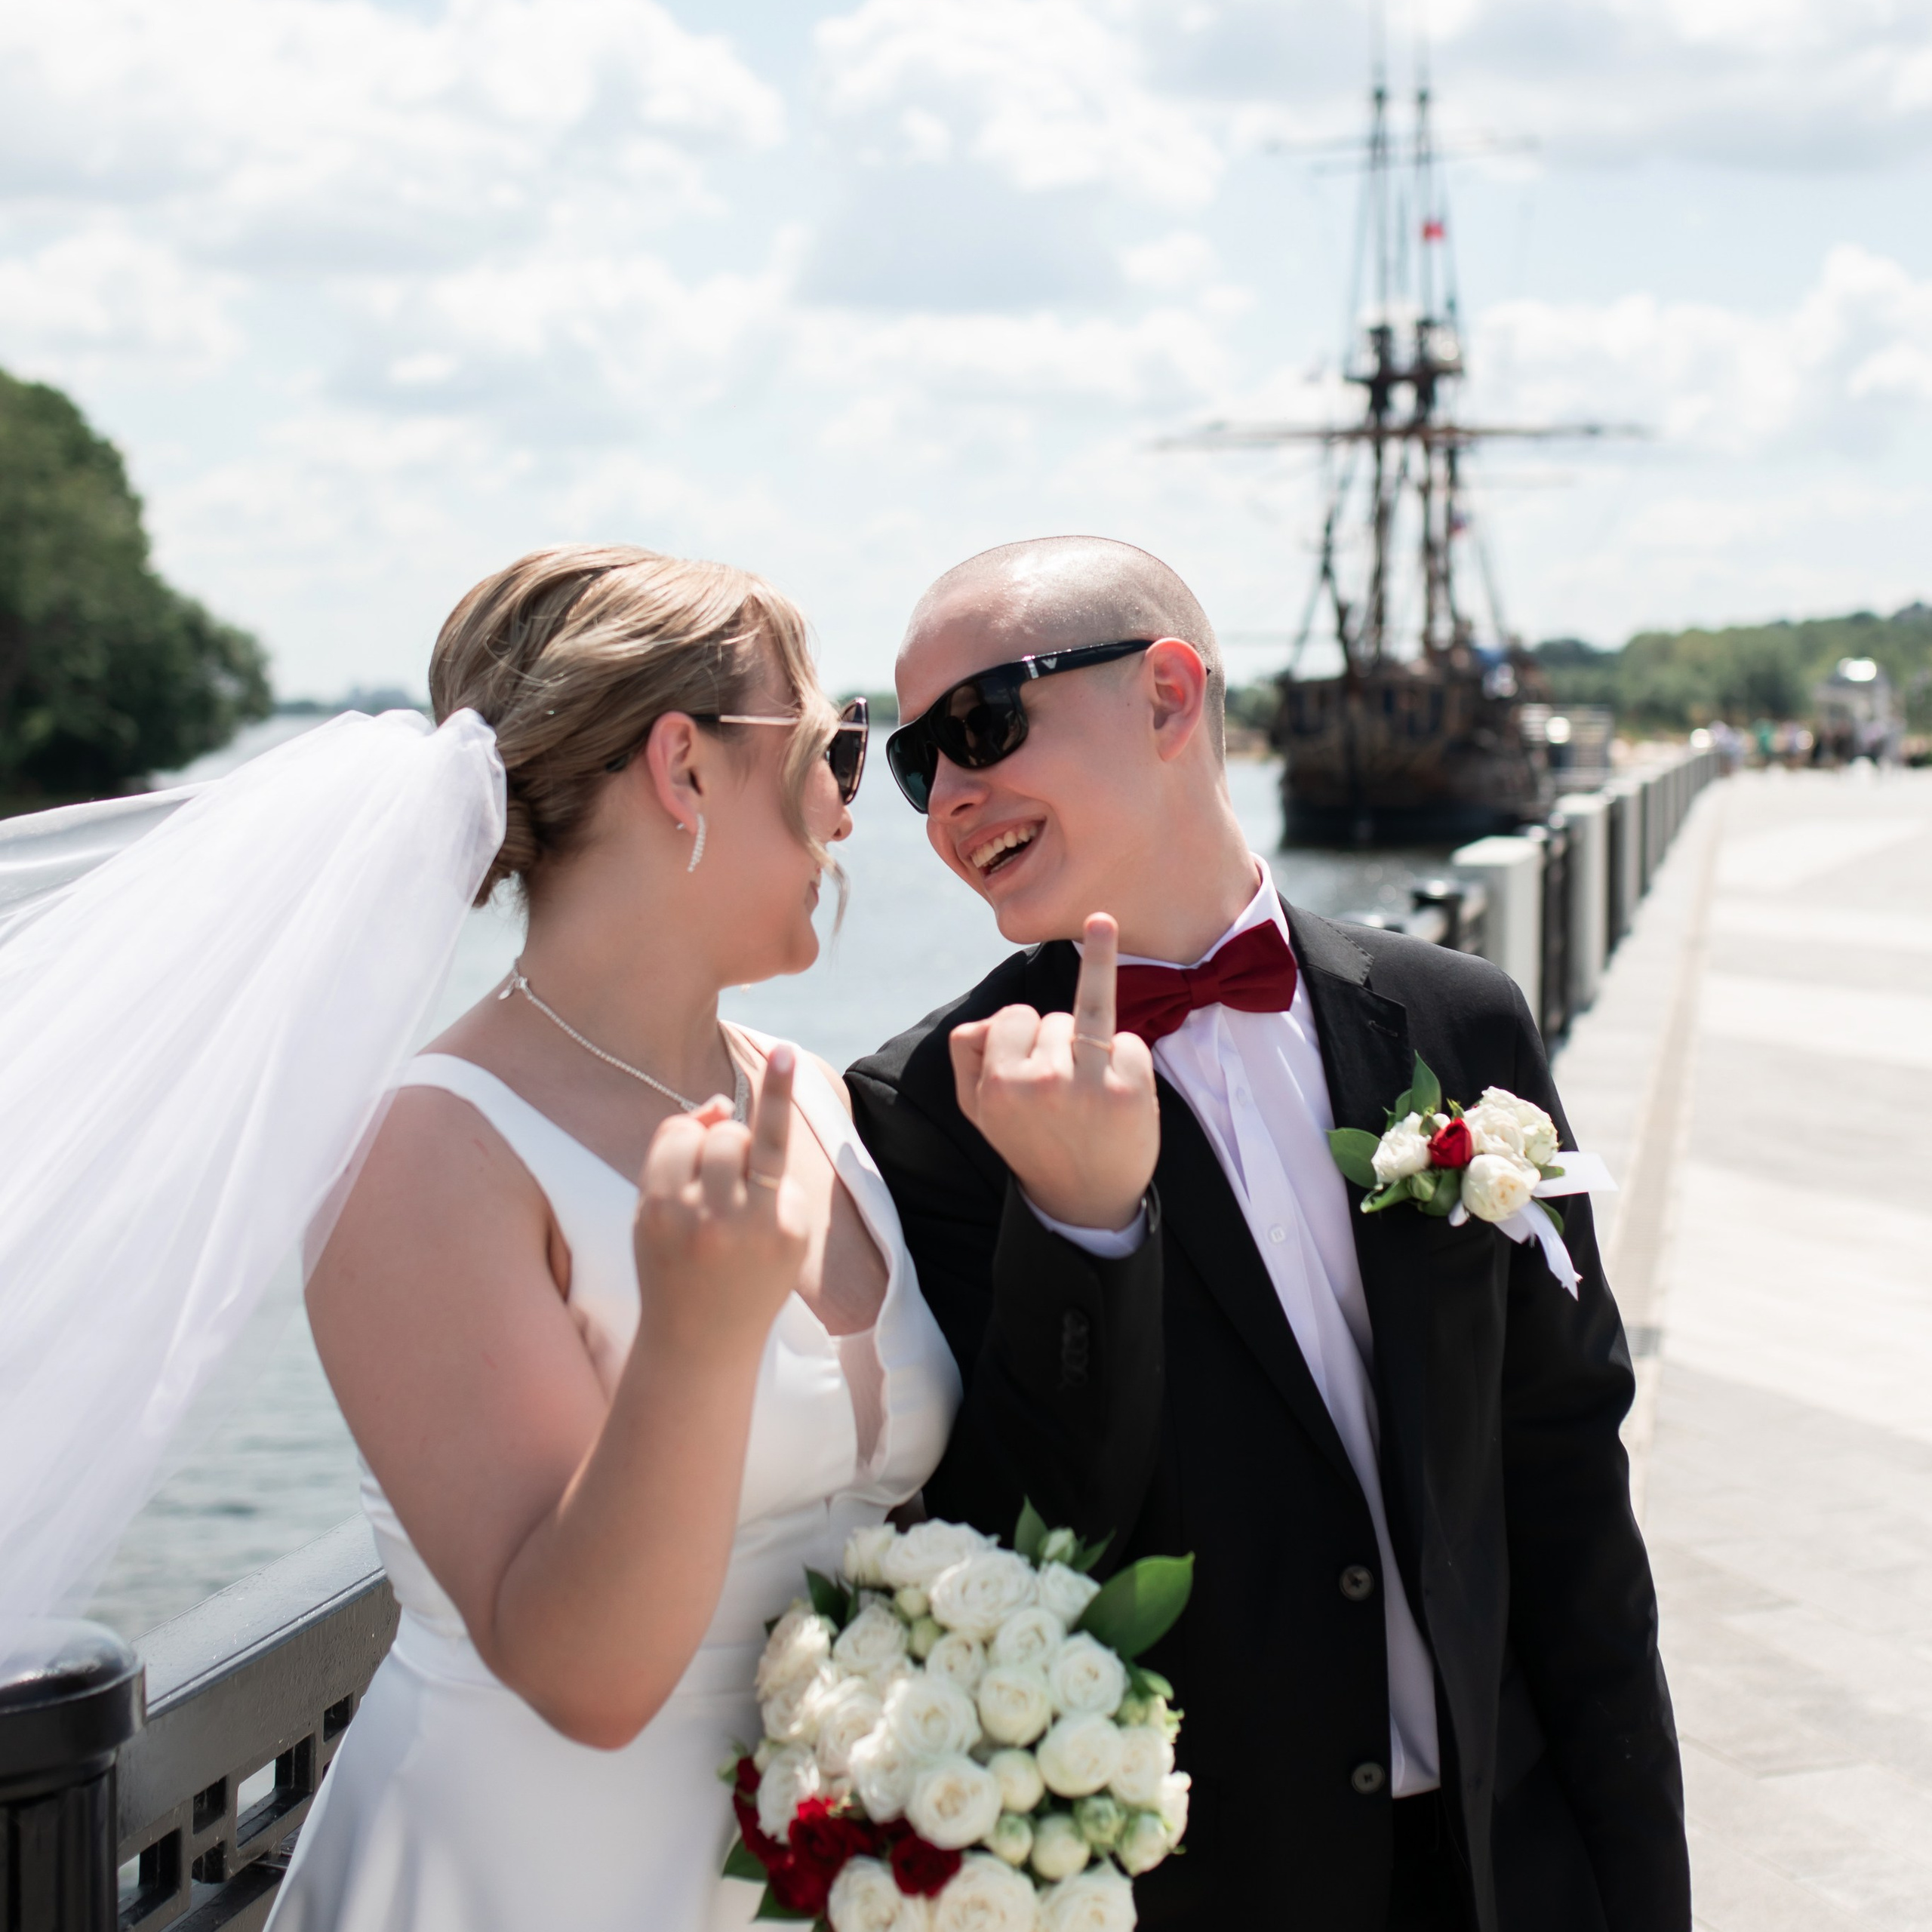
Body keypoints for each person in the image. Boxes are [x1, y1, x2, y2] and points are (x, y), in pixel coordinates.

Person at [847, 536, 1691, 1932]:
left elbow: (1567, 1482)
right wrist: (1081, 1220)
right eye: (913, 760)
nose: (946, 795)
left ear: (1170, 696)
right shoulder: (933, 1105)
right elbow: (1015, 1547)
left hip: (1511, 1864)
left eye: (982, 724)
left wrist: (1637, 1888)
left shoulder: (1458, 1017)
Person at [263, 547, 961, 1930]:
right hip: (547, 1875)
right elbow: (582, 1676)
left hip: (844, 1868)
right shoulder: (425, 1153)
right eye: (831, 745)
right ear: (683, 768)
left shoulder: (812, 1093)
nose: (846, 806)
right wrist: (695, 1342)